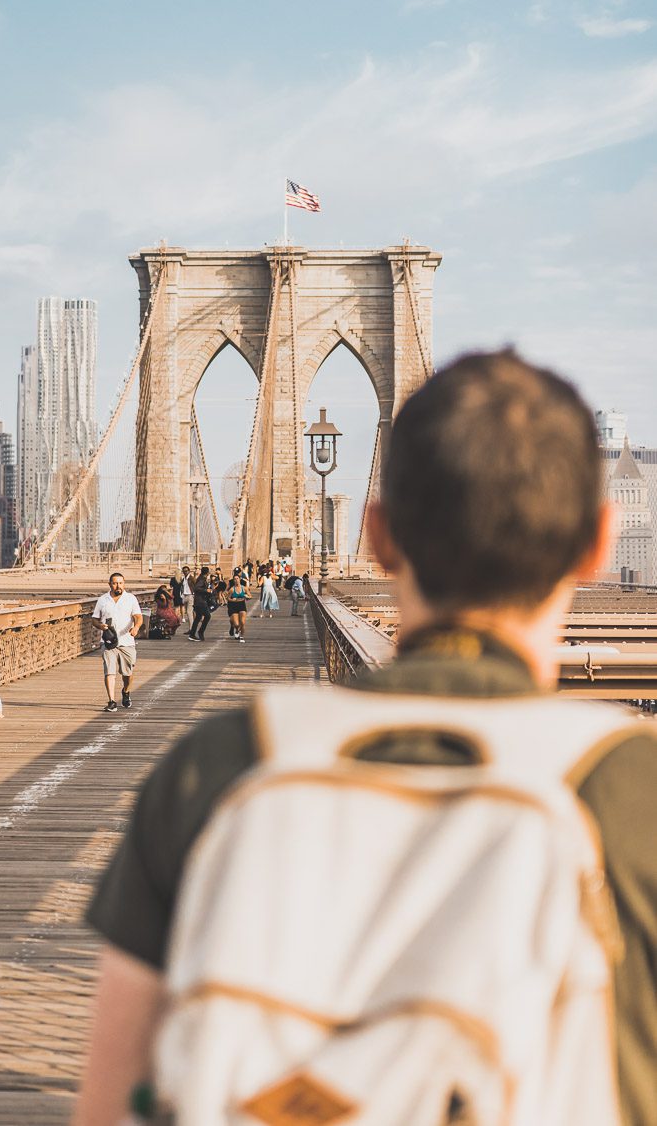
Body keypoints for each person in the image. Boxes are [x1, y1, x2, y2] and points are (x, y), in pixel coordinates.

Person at [75, 350, 657, 1126]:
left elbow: (110, 1105)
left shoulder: (218, 766)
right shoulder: (634, 787)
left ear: (380, 536)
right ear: (596, 545)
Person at [91, 572, 143, 712]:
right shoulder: (103, 600)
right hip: (108, 642)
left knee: (127, 674)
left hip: (127, 642)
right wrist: (100, 626)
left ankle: (126, 692)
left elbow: (138, 616)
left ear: (124, 584)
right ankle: (112, 701)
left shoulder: (131, 599)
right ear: (110, 584)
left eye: (120, 582)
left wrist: (136, 627)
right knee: (109, 671)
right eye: (115, 583)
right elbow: (94, 619)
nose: (118, 585)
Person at [188, 566, 213, 641]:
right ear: (207, 573)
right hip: (200, 602)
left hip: (199, 601)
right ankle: (199, 632)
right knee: (207, 616)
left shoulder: (201, 578)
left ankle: (192, 634)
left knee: (198, 618)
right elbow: (197, 588)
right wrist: (206, 590)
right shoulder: (202, 579)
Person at [226, 567, 249, 641]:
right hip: (232, 604)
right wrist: (230, 596)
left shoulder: (244, 582)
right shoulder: (231, 581)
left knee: (242, 621)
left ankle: (241, 635)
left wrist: (247, 596)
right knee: (236, 623)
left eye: (238, 572)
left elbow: (248, 592)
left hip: (241, 604)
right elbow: (227, 590)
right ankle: (233, 625)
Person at [179, 566, 194, 633]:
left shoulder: (191, 578)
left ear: (189, 571)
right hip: (184, 596)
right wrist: (181, 595)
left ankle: (191, 629)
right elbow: (182, 587)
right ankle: (190, 629)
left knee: (189, 612)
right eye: (184, 571)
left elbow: (196, 586)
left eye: (186, 571)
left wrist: (194, 594)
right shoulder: (184, 579)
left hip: (190, 596)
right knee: (188, 613)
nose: (185, 572)